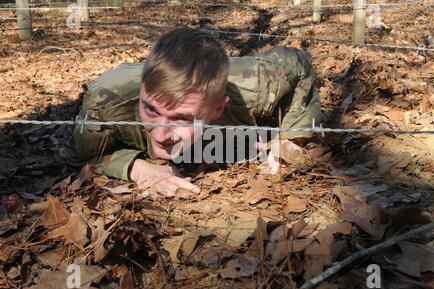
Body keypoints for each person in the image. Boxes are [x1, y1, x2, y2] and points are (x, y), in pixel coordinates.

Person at [69, 27, 322, 197]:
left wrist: (291, 137)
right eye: (150, 110)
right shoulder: (105, 103)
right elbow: (86, 156)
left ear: (218, 109)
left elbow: (298, 63)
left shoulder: (255, 86)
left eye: (181, 118)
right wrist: (136, 168)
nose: (160, 134)